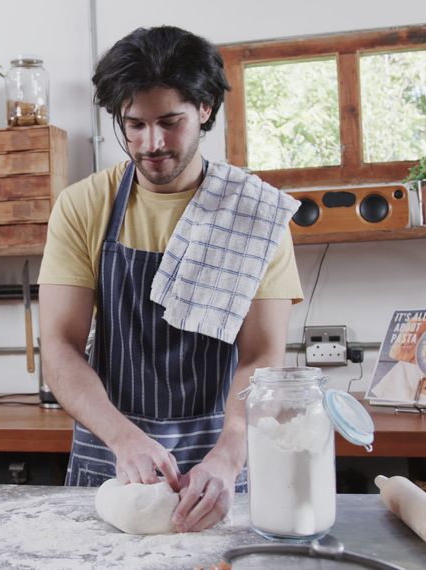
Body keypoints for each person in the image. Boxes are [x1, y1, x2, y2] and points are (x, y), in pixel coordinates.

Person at [38, 26, 304, 533]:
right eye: (134, 124)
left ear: (204, 108)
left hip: (221, 455)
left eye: (169, 122)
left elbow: (262, 358)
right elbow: (59, 346)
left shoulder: (256, 213)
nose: (151, 143)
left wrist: (230, 453)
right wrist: (123, 438)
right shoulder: (83, 207)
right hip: (112, 455)